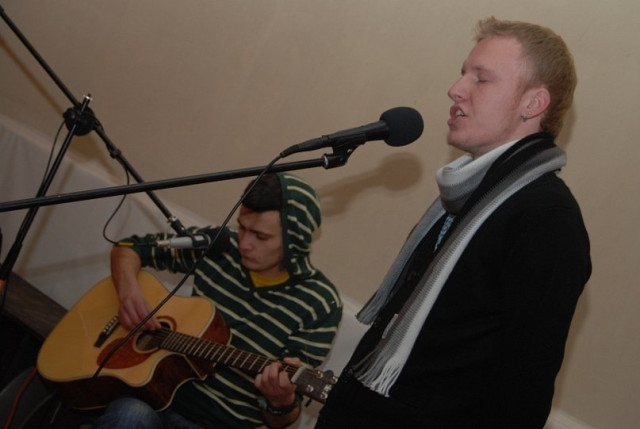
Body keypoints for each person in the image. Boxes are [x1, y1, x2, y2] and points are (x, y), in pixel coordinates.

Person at [316, 17, 591, 429]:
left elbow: (523, 389)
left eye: (481, 78)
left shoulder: (547, 219)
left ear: (533, 104)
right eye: (463, 73)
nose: (456, 89)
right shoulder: (469, 192)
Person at [94, 172, 342, 429]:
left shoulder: (320, 303)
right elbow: (128, 248)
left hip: (221, 423)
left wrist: (280, 401)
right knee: (129, 416)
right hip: (154, 393)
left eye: (260, 236)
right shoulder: (221, 245)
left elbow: (283, 420)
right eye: (242, 227)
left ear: (294, 242)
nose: (243, 244)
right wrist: (129, 294)